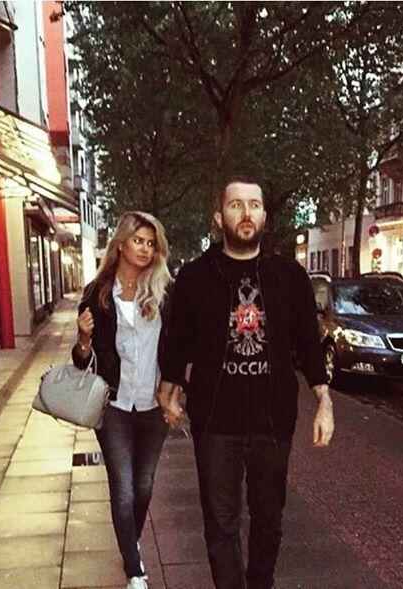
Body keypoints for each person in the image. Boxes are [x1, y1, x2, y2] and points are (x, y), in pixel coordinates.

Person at [157, 176, 335, 589]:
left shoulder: (288, 276)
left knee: (269, 518)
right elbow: (178, 341)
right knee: (220, 523)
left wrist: (323, 401)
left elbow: (309, 344)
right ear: (220, 217)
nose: (246, 213)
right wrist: (169, 389)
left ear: (264, 216)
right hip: (215, 420)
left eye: (254, 205)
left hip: (273, 421)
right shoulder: (196, 277)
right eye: (236, 205)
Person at [72, 211, 173, 589]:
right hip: (113, 404)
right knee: (124, 487)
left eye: (151, 243)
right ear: (121, 244)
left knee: (144, 486)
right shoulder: (97, 293)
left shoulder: (164, 291)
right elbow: (82, 360)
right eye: (138, 241)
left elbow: (178, 346)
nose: (145, 249)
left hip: (153, 404)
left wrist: (175, 389)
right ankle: (135, 570)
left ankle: (130, 544)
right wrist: (84, 339)